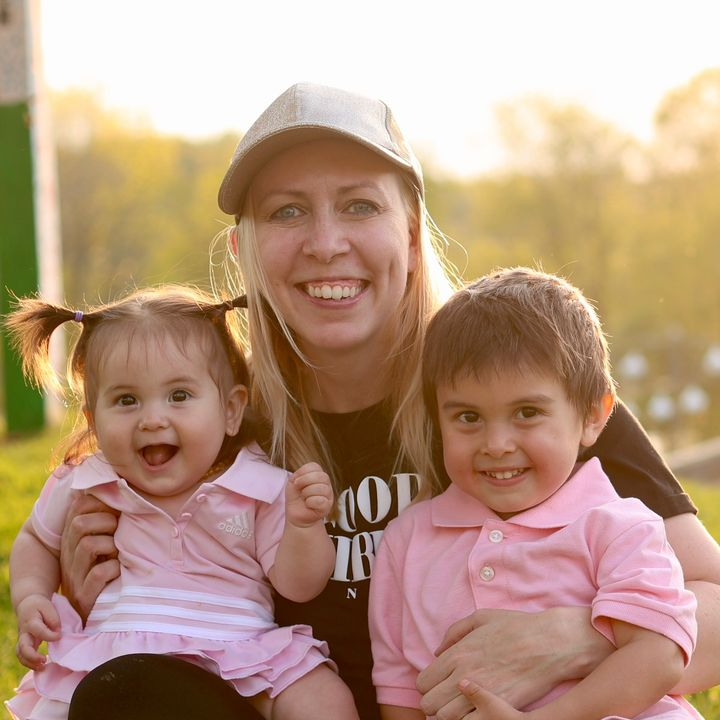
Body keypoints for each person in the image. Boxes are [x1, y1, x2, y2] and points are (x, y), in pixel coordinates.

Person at [58, 84, 720, 720]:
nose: (325, 243)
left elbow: (710, 600)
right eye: (286, 211)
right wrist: (114, 598)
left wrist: (581, 636)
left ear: (410, 233)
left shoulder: (515, 394)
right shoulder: (210, 423)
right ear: (244, 248)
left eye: (358, 206)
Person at [3, 285, 359, 720]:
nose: (153, 419)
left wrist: (303, 526)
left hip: (242, 648)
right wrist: (32, 597)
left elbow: (299, 585)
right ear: (93, 420)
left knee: (323, 698)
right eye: (126, 400)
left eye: (179, 396)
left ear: (231, 410)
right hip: (117, 646)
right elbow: (36, 540)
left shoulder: (259, 486)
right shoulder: (86, 480)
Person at [369, 266, 703, 720]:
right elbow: (401, 689)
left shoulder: (619, 526)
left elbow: (659, 654)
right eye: (468, 417)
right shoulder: (408, 541)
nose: (496, 444)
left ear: (593, 416)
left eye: (527, 412)